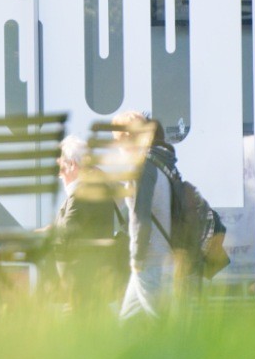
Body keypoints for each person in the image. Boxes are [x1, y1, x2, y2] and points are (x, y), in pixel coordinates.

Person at [116, 113, 183, 320]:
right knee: (125, 323)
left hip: (150, 260)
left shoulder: (141, 167)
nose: (116, 147)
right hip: (161, 256)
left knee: (162, 325)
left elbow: (140, 217)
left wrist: (137, 258)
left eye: (116, 140)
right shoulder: (159, 162)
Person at [47, 135, 122, 306]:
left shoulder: (81, 193)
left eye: (60, 166)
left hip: (81, 283)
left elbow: (66, 234)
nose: (58, 173)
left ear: (72, 164)